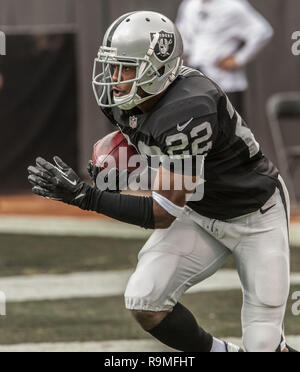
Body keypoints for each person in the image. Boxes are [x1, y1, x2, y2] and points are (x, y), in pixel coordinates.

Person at [28, 11, 296, 352]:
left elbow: (163, 212)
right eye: (112, 66)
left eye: (126, 68)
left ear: (157, 68)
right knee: (145, 300)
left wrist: (85, 196)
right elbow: (158, 153)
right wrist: (120, 169)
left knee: (263, 344)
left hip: (254, 214)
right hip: (199, 211)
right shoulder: (125, 100)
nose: (115, 78)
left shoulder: (190, 106)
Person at [176, 0, 274, 115]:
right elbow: (182, 34)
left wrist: (238, 59)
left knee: (230, 128)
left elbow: (263, 32)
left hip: (225, 84)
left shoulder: (233, 6)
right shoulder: (189, 5)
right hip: (197, 82)